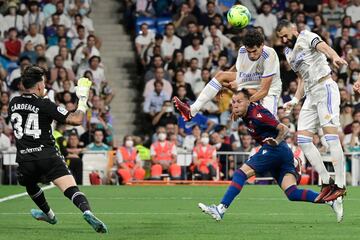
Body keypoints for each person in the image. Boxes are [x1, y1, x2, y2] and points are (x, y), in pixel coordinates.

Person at [198, 90, 343, 223]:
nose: (235, 105)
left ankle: (220, 209)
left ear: (248, 101)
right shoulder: (247, 112)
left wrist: (276, 141)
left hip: (274, 149)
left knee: (240, 174)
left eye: (239, 102)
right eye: (233, 102)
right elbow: (243, 92)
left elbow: (284, 129)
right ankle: (331, 200)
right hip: (282, 152)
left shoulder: (257, 115)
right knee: (292, 193)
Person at [8, 66, 107, 233]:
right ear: (39, 86)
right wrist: (82, 100)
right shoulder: (45, 104)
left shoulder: (13, 103)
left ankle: (49, 215)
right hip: (47, 155)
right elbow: (76, 119)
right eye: (44, 84)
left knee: (30, 185)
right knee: (70, 188)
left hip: (25, 159)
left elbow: (31, 107)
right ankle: (87, 211)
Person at [276, 20, 348, 201]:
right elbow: (301, 78)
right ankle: (326, 181)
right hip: (310, 95)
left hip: (325, 88)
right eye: (281, 37)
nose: (284, 39)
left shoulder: (306, 36)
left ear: (293, 29)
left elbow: (323, 47)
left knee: (331, 137)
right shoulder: (289, 54)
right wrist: (295, 99)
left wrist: (334, 56)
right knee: (303, 140)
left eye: (286, 34)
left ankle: (340, 184)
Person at [174, 29, 282, 121]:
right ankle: (192, 110)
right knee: (221, 75)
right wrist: (220, 85)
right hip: (251, 80)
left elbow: (264, 91)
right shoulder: (243, 51)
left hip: (269, 89)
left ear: (262, 45)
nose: (252, 55)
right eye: (249, 51)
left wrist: (242, 105)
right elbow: (236, 68)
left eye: (254, 51)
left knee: (269, 123)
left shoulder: (269, 55)